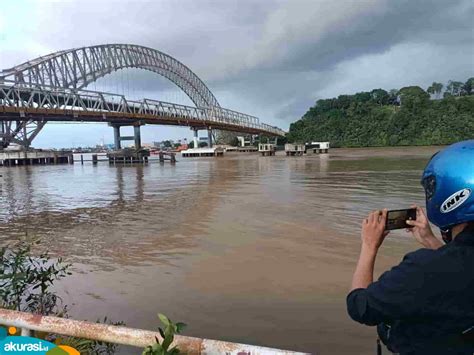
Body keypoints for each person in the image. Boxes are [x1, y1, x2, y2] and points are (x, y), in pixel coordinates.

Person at [346, 139, 474, 355]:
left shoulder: (423, 270)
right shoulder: (447, 264)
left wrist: (369, 246)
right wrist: (430, 240)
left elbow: (359, 306)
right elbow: (458, 264)